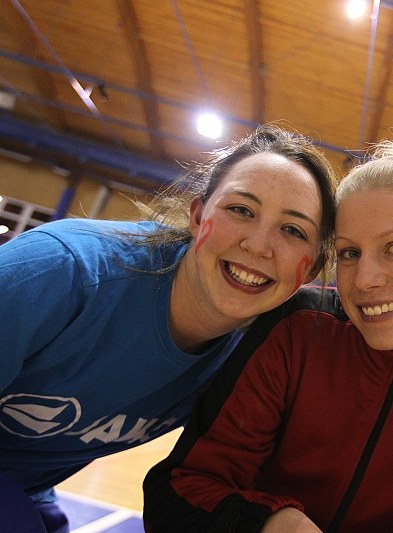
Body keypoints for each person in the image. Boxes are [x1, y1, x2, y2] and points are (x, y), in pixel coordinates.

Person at [142, 122, 393, 532]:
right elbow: (179, 493)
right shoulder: (298, 330)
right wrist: (273, 522)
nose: (364, 280)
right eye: (350, 253)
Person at [0, 124, 338, 533]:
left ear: (312, 270)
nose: (258, 245)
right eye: (241, 210)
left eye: (293, 231)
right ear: (197, 216)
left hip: (30, 489)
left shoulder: (256, 359)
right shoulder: (59, 271)